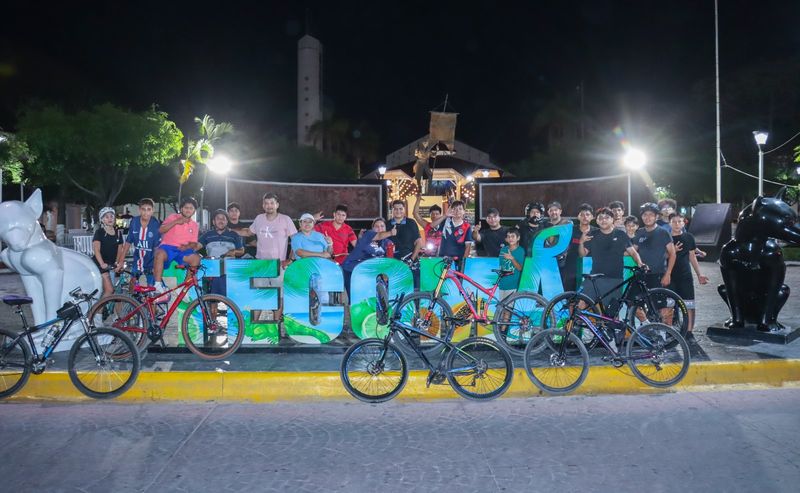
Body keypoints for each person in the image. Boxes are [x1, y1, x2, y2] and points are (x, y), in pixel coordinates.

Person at [579, 207, 645, 311]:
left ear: (612, 219)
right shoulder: (592, 235)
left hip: (615, 279)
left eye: (607, 217)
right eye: (600, 218)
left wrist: (640, 263)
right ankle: (572, 322)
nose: (603, 220)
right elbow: (582, 254)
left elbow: (632, 252)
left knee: (611, 312)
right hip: (595, 278)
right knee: (581, 304)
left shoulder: (620, 234)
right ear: (597, 221)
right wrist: (581, 242)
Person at [669, 212, 709, 335]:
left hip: (685, 275)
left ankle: (689, 332)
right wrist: (673, 251)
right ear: (669, 223)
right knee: (669, 305)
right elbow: (661, 256)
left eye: (679, 221)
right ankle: (668, 331)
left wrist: (699, 274)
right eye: (674, 222)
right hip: (668, 276)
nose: (676, 224)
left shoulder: (688, 237)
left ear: (683, 223)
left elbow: (692, 256)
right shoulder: (665, 237)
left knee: (689, 304)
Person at [153, 197, 202, 296]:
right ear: (181, 208)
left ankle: (184, 288)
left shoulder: (195, 225)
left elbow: (194, 243)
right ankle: (157, 285)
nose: (188, 210)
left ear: (194, 210)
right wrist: (175, 222)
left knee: (196, 258)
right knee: (159, 254)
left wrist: (186, 247)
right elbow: (160, 230)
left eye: (191, 208)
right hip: (168, 248)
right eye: (186, 207)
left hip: (183, 251)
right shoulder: (172, 217)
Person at [341, 218, 397, 295]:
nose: (380, 228)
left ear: (385, 228)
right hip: (352, 269)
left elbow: (389, 259)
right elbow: (379, 235)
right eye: (377, 226)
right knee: (355, 298)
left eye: (382, 226)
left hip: (368, 271)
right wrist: (391, 232)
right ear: (372, 229)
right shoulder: (368, 234)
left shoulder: (388, 242)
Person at [116, 198, 160, 288]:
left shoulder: (155, 224)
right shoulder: (134, 222)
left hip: (151, 262)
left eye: (149, 209)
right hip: (137, 261)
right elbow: (128, 242)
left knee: (151, 287)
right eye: (143, 209)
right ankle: (132, 297)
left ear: (152, 211)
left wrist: (156, 266)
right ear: (139, 210)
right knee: (132, 284)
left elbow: (156, 248)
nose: (146, 212)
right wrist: (121, 261)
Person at [199, 209, 244, 296]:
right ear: (213, 222)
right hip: (212, 270)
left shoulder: (234, 235)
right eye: (218, 218)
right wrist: (202, 257)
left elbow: (242, 251)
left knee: (230, 297)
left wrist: (234, 252)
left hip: (230, 270)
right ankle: (213, 303)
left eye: (223, 219)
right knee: (213, 297)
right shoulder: (207, 235)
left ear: (227, 221)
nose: (221, 221)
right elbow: (196, 247)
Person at [633, 202, 677, 291]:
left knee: (658, 300)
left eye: (651, 215)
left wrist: (668, 274)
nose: (647, 217)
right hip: (641, 274)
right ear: (642, 217)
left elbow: (673, 254)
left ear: (656, 217)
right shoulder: (639, 232)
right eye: (645, 215)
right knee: (638, 299)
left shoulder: (663, 233)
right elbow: (633, 251)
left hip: (658, 274)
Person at [249, 193, 298, 270]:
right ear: (263, 206)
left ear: (277, 205)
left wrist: (290, 259)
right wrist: (231, 229)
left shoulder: (285, 219)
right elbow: (248, 232)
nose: (269, 206)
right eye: (266, 203)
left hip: (279, 264)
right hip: (260, 263)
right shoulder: (259, 218)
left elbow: (297, 240)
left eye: (272, 203)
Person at [563, 203, 596, 291]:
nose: (585, 217)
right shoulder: (570, 230)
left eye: (587, 215)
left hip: (589, 268)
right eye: (582, 215)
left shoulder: (596, 232)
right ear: (578, 217)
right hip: (571, 267)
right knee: (570, 294)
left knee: (587, 293)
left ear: (592, 217)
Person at [93, 207, 123, 296]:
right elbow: (96, 250)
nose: (110, 218)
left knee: (113, 291)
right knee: (109, 290)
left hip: (111, 265)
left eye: (111, 216)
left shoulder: (118, 233)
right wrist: (102, 264)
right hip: (100, 264)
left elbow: (119, 250)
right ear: (102, 220)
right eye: (106, 217)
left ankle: (106, 305)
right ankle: (100, 306)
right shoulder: (99, 232)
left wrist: (117, 263)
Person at [497, 229, 525, 300]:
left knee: (509, 306)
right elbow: (500, 266)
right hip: (502, 284)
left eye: (513, 236)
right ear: (506, 239)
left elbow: (520, 268)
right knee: (501, 306)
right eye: (508, 236)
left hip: (513, 285)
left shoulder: (521, 251)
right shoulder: (503, 249)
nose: (510, 238)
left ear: (518, 238)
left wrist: (512, 258)